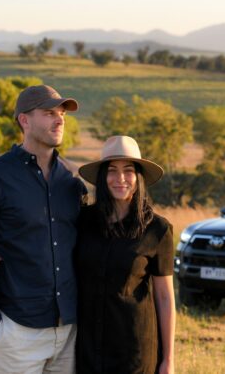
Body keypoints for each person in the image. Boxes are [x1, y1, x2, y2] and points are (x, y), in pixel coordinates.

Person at [0, 85, 86, 374]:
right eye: (49, 113)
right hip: (16, 330)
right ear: (24, 120)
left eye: (61, 114)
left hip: (68, 331)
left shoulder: (72, 181)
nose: (59, 120)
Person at [76, 135, 176, 374]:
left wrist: (168, 360)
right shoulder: (82, 221)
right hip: (87, 347)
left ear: (139, 176)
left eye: (128, 170)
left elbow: (165, 298)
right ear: (102, 177)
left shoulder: (158, 230)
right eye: (112, 170)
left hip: (135, 350)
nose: (120, 179)